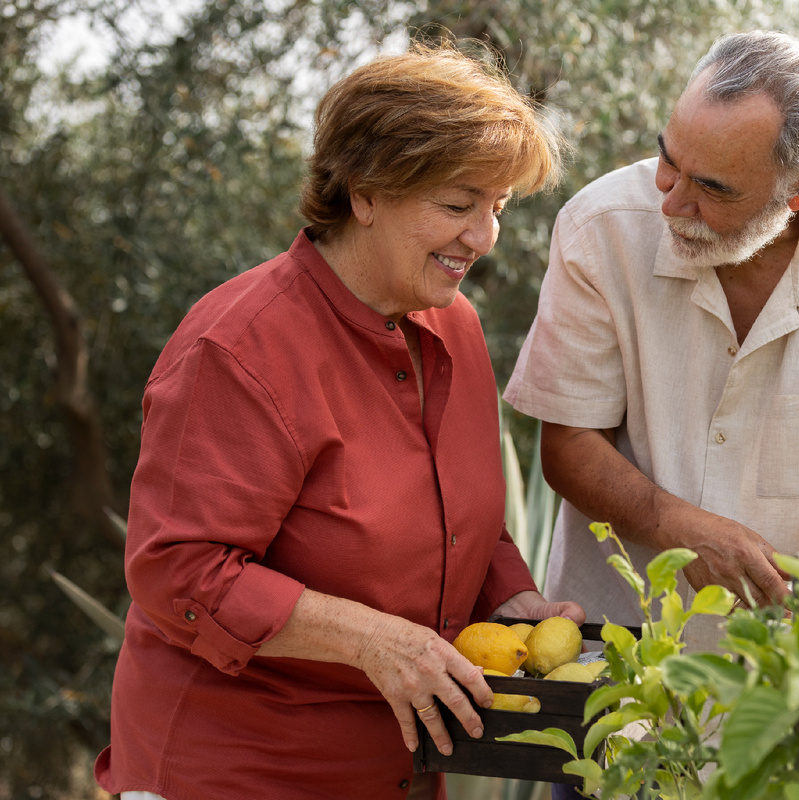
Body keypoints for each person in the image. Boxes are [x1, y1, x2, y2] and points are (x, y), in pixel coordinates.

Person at [94, 42, 584, 800]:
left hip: (391, 770)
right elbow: (178, 571)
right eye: (458, 206)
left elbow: (457, 512)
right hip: (230, 772)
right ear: (366, 193)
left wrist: (507, 596)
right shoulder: (238, 347)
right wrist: (375, 641)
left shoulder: (455, 328)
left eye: (498, 208)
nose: (484, 237)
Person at [504, 31, 799, 653]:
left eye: (712, 189)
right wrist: (679, 526)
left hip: (787, 670)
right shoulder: (599, 229)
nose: (672, 201)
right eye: (667, 160)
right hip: (615, 648)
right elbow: (569, 444)